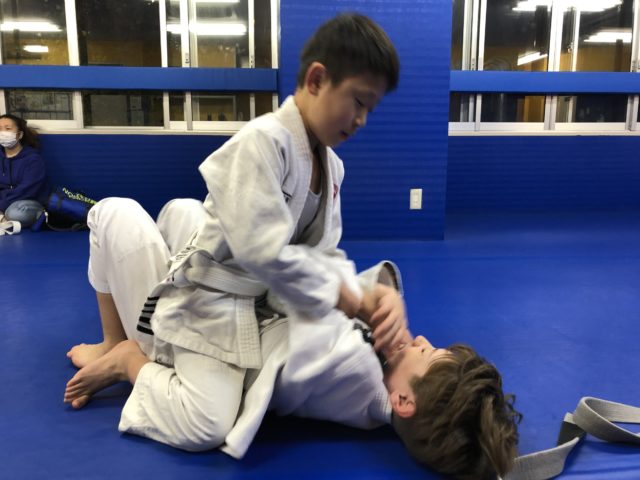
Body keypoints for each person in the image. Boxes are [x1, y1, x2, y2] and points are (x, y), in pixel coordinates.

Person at [64, 13, 520, 479]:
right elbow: (262, 251)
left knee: (205, 418)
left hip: (235, 305)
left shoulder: (333, 170)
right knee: (152, 216)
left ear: (405, 400)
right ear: (317, 80)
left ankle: (128, 354)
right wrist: (367, 296)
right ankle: (115, 339)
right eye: (358, 102)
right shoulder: (263, 141)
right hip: (205, 295)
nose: (362, 119)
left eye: (369, 107)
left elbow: (321, 261)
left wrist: (364, 296)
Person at [0, 114, 50, 228]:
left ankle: (5, 218)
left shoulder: (33, 159)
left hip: (27, 202)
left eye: (8, 128)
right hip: (3, 202)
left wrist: (1, 205)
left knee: (15, 213)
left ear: (20, 135)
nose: (2, 132)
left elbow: (26, 190)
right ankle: (4, 220)